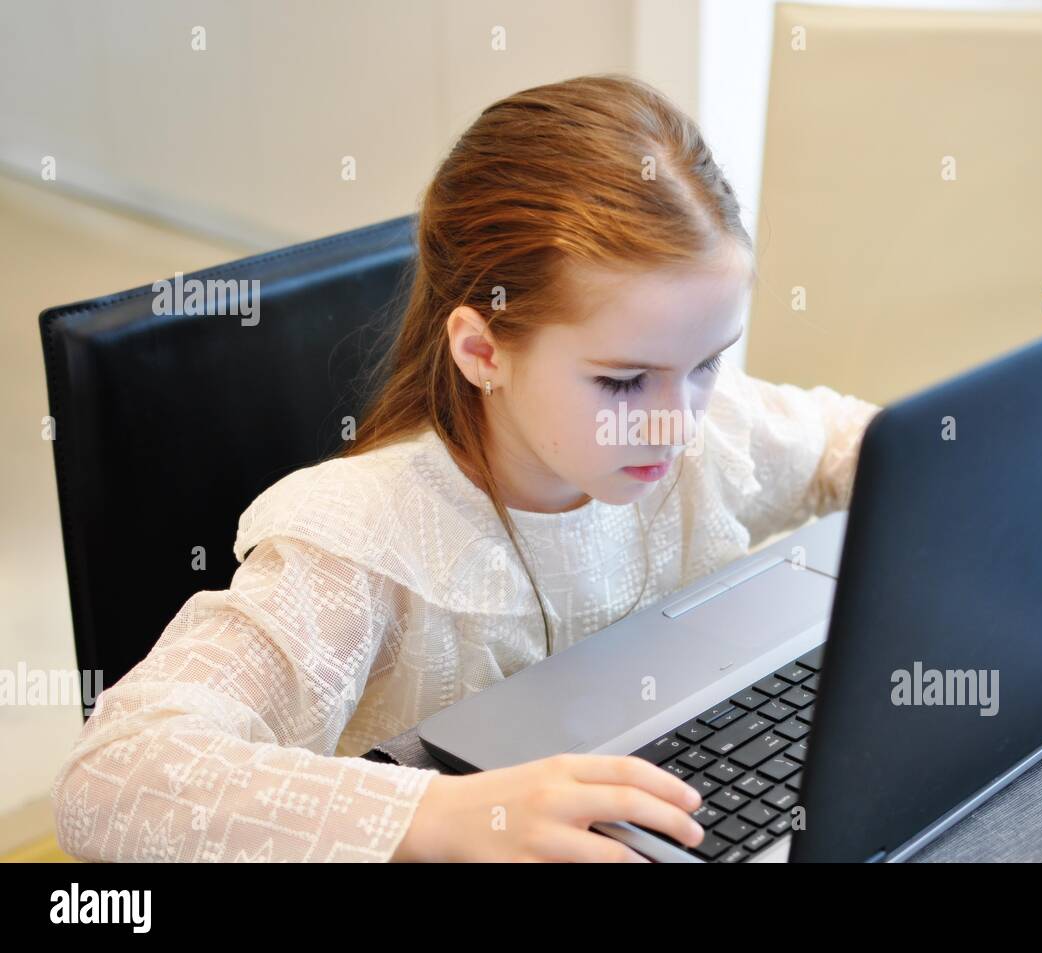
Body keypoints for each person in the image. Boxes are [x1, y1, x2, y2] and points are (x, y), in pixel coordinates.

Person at [50, 73, 879, 863]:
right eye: (624, 381)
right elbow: (109, 778)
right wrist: (443, 813)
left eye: (708, 360)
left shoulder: (710, 427)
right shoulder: (358, 544)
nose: (678, 418)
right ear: (483, 350)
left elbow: (863, 443)